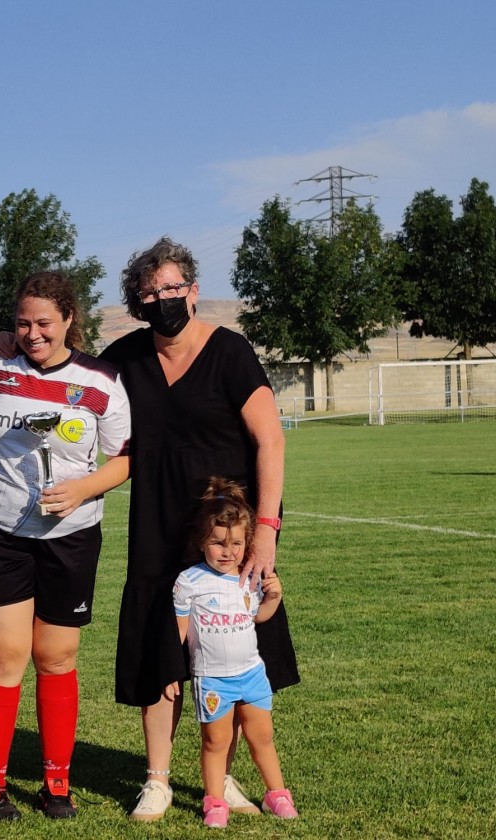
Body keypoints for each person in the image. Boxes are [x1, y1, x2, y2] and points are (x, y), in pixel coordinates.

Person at [99, 237, 299, 822]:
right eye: (149, 291)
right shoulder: (127, 357)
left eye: (171, 287)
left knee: (230, 652)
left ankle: (225, 777)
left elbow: (271, 440)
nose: (161, 298)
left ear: (192, 289)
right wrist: (7, 351)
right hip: (157, 522)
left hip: (229, 529)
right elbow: (71, 377)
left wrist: (265, 530)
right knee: (163, 649)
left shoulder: (230, 351)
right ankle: (157, 780)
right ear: (138, 302)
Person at [0, 271, 131, 821]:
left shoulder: (103, 380)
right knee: (4, 656)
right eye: (22, 322)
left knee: (57, 657)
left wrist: (83, 487)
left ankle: (56, 784)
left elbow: (127, 457)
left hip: (72, 536)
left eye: (44, 322)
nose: (32, 333)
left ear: (68, 321)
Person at [173, 477, 298, 828]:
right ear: (202, 542)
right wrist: (170, 669)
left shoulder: (250, 577)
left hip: (252, 675)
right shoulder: (189, 583)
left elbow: (257, 617)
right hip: (213, 680)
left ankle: (277, 795)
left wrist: (273, 597)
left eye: (237, 543)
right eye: (218, 543)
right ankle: (215, 802)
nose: (228, 551)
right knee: (216, 741)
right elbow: (180, 632)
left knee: (262, 738)